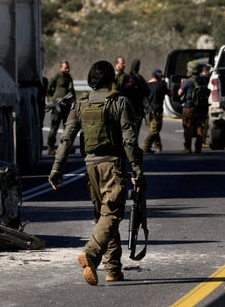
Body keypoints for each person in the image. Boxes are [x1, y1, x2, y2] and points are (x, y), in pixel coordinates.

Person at [48, 60, 145, 285]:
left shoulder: (80, 105)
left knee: (104, 216)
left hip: (90, 166)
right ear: (112, 79)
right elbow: (129, 140)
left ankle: (113, 269)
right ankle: (91, 254)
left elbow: (66, 138)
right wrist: (137, 169)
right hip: (113, 165)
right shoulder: (120, 102)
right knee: (111, 214)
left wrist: (56, 169)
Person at [46, 60, 76, 155]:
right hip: (58, 106)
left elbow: (72, 90)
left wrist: (74, 100)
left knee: (67, 127)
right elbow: (49, 86)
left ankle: (66, 147)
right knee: (54, 126)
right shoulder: (57, 77)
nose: (67, 69)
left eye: (68, 67)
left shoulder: (69, 78)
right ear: (60, 68)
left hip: (67, 106)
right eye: (65, 67)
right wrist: (51, 98)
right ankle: (50, 147)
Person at [114, 57, 150, 136]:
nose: (123, 65)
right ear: (116, 64)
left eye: (124, 63)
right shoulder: (112, 77)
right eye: (121, 63)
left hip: (128, 107)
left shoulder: (128, 77)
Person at [178, 62, 208, 154]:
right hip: (200, 107)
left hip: (189, 107)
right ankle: (198, 148)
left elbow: (179, 93)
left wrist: (181, 84)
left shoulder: (189, 81)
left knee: (188, 127)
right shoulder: (203, 80)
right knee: (199, 127)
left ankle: (187, 148)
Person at [143, 69, 169, 153]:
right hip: (156, 111)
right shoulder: (161, 85)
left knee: (153, 129)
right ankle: (145, 147)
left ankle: (158, 146)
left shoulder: (146, 85)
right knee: (154, 130)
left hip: (147, 111)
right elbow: (170, 93)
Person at [199, 64, 211, 147]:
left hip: (202, 103)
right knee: (203, 124)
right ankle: (201, 141)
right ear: (205, 70)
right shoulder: (202, 79)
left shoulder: (202, 79)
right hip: (202, 104)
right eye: (208, 71)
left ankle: (202, 140)